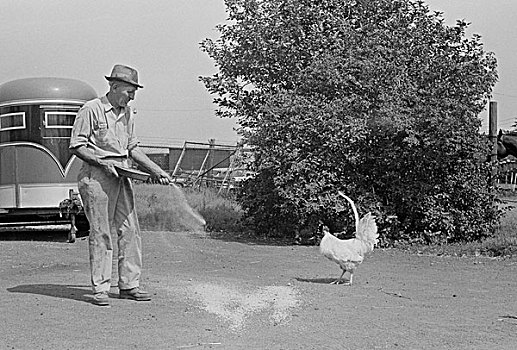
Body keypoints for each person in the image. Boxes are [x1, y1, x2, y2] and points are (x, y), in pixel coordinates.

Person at [69, 64, 172, 306]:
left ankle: (129, 285)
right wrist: (103, 163)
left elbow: (132, 148)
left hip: (122, 175)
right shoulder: (91, 110)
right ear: (114, 87)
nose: (133, 96)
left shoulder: (127, 113)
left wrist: (157, 171)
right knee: (101, 233)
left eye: (134, 92)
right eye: (129, 91)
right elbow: (77, 145)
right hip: (97, 177)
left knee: (130, 231)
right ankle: (101, 289)